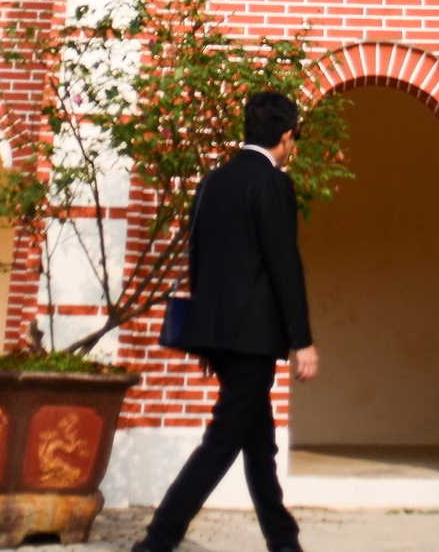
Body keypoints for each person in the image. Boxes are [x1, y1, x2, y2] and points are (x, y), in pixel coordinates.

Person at [134, 90, 318, 552]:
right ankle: (157, 541)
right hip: (253, 337)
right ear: (285, 135)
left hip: (218, 331)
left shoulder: (213, 180)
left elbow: (197, 256)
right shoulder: (274, 183)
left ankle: (284, 542)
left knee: (259, 445)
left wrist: (210, 334)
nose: (293, 145)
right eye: (294, 137)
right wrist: (304, 340)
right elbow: (283, 264)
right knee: (221, 443)